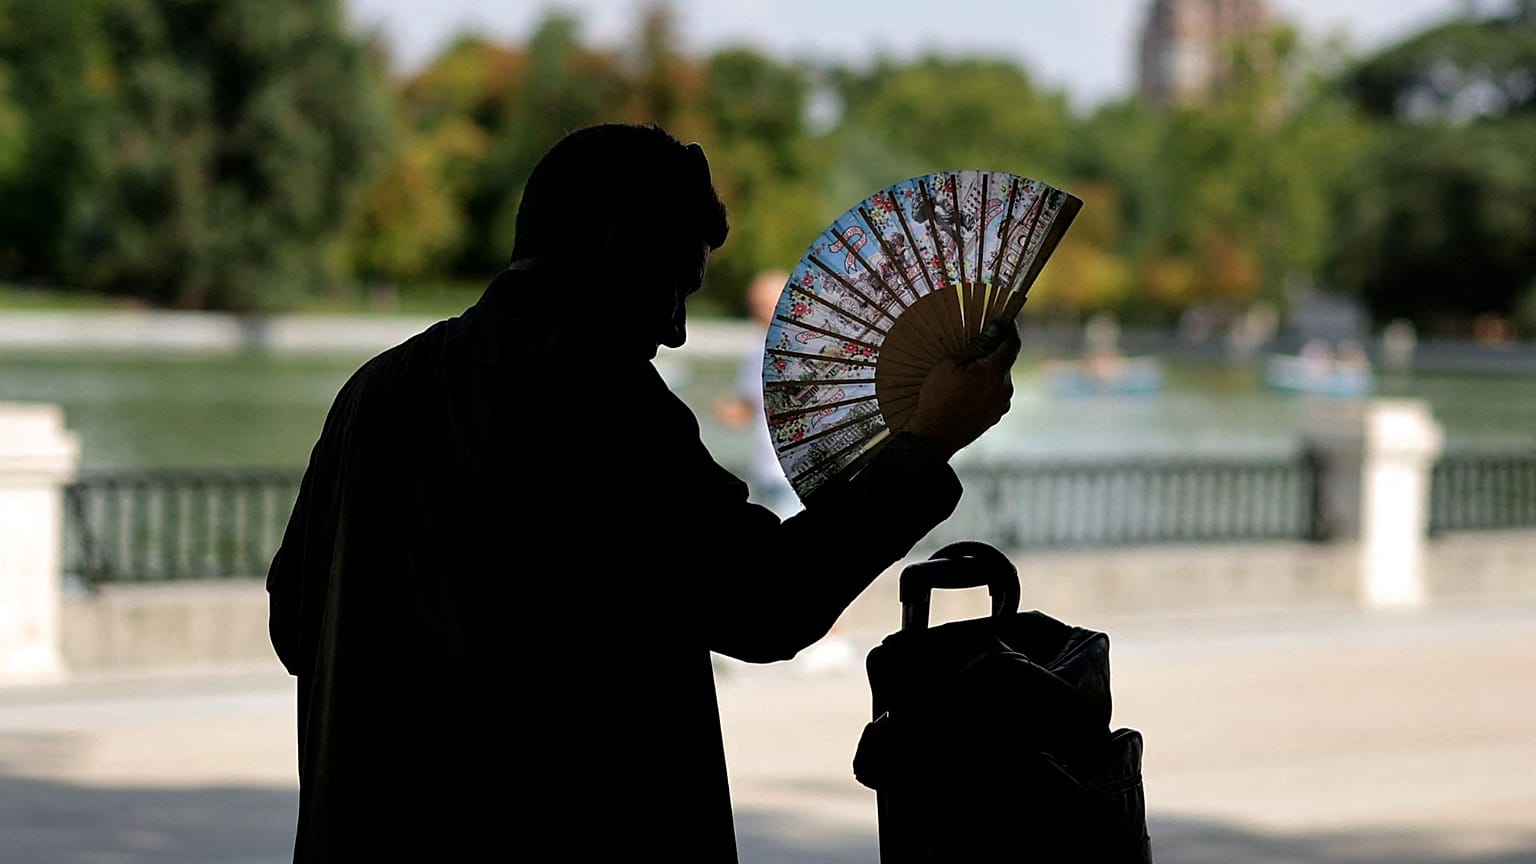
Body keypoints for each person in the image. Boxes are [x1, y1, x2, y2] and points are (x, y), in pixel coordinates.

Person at [266, 122, 1020, 862]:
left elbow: (294, 628)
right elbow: (764, 603)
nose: (678, 330)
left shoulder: (374, 392)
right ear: (616, 249)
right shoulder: (598, 401)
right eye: (675, 285)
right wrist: (924, 445)